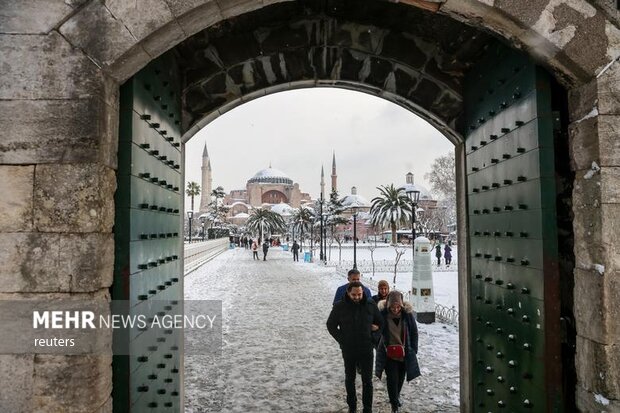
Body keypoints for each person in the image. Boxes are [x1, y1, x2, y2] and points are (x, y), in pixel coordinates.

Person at [327, 282, 383, 413]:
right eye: (354, 295)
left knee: (367, 381)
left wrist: (374, 337)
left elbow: (381, 323)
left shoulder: (370, 305)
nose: (357, 297)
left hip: (366, 348)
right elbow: (330, 325)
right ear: (348, 292)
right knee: (350, 378)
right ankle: (352, 407)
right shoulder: (339, 306)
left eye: (359, 294)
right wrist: (342, 340)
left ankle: (367, 409)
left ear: (363, 292)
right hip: (349, 349)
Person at [375, 291, 420, 413]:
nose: (395, 309)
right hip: (388, 353)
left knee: (400, 378)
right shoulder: (383, 315)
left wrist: (414, 349)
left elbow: (414, 332)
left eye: (398, 307)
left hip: (404, 353)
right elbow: (376, 331)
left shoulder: (407, 315)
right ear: (388, 305)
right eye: (392, 307)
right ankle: (394, 404)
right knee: (392, 379)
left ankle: (396, 396)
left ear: (402, 305)